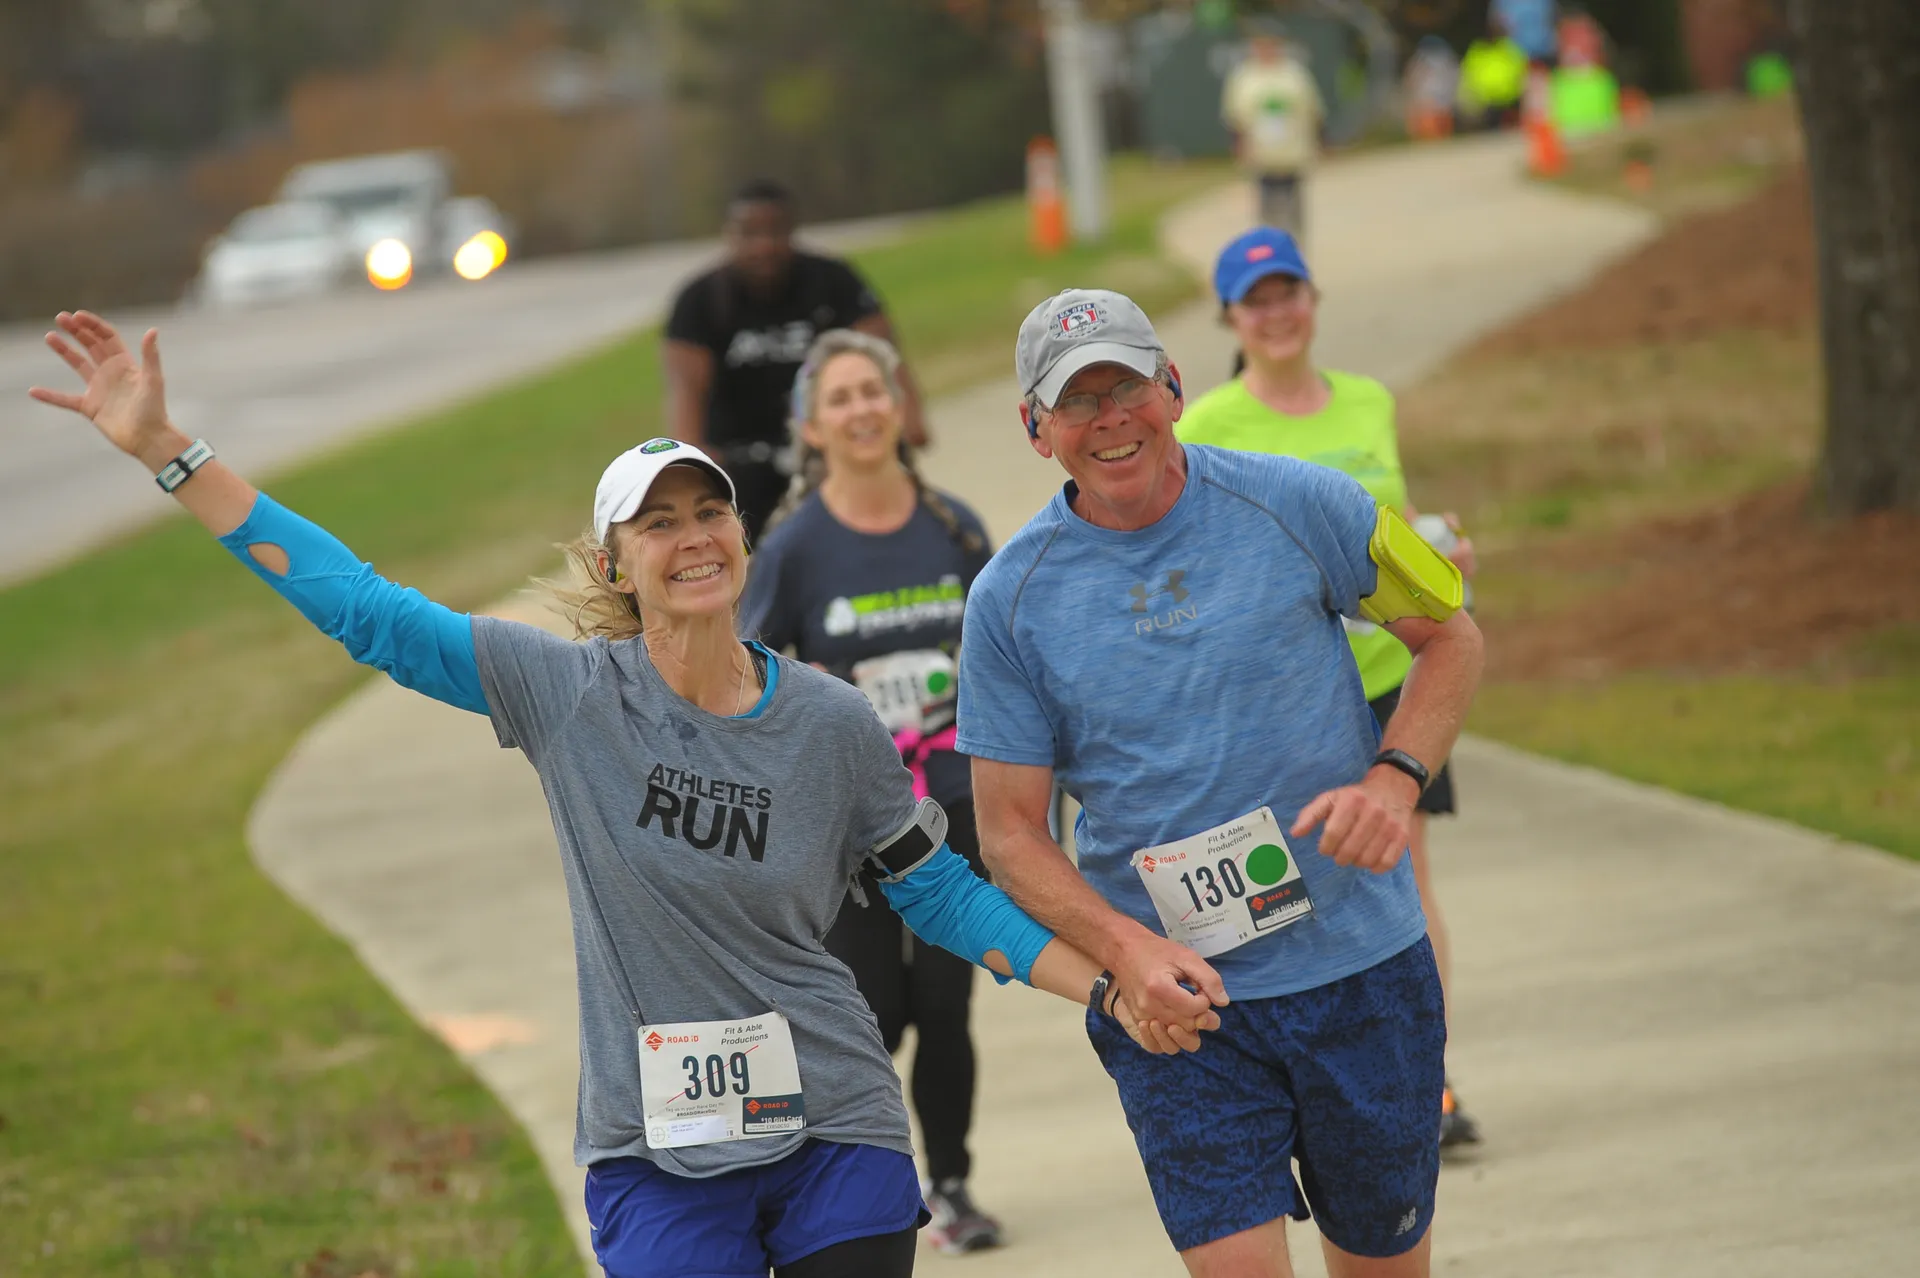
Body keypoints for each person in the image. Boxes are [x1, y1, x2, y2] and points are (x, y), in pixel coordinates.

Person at [29, 310, 1215, 1278]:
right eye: (659, 526)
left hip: (834, 1126)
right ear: (612, 565)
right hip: (656, 1148)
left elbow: (943, 898)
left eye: (710, 515)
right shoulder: (565, 697)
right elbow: (364, 610)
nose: (694, 540)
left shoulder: (828, 722)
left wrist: (1108, 985)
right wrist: (171, 455)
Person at [958, 288, 1485, 1277]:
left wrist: (1396, 780)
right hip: (1179, 1004)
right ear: (1037, 430)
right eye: (1078, 403)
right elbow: (1010, 834)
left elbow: (1450, 633)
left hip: (1360, 971)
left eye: (1128, 387)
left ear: (1175, 386)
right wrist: (1125, 953)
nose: (1111, 420)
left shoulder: (1305, 503)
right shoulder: (1009, 604)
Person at [1175, 227, 1485, 1151]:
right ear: (1231, 317)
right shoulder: (1206, 424)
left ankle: (1425, 1081)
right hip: (1282, 693)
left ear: (1313, 301)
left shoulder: (1368, 401)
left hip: (1390, 678)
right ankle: (1288, 1077)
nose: (1276, 314)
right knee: (1291, 884)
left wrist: (1444, 554)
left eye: (1289, 293)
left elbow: (1391, 527)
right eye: (1255, 300)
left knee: (1406, 876)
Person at [740, 328, 1002, 1255]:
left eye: (873, 392)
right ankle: (832, 1181)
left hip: (953, 806)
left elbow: (1012, 662)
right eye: (839, 399)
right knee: (871, 1013)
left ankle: (955, 1183)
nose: (860, 411)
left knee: (945, 1004)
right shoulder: (796, 547)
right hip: (848, 828)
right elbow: (745, 673)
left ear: (900, 407)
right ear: (811, 427)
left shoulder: (957, 528)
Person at [664, 179, 929, 545]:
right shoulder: (700, 301)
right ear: (730, 235)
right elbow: (685, 391)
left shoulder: (833, 281)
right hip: (741, 459)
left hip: (826, 446)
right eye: (751, 234)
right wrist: (692, 461)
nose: (765, 246)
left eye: (775, 232)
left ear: (792, 232)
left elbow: (881, 351)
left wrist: (908, 417)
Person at [1219, 29, 1325, 242]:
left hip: (1292, 151)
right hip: (1261, 153)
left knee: (1292, 204)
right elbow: (1235, 116)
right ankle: (1270, 246)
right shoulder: (1244, 77)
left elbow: (1313, 109)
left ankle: (1294, 246)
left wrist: (1320, 141)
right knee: (1267, 205)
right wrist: (1239, 146)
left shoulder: (1294, 74)